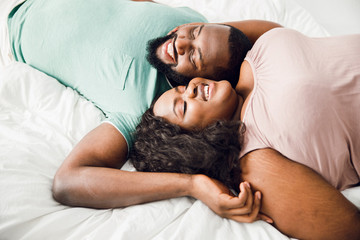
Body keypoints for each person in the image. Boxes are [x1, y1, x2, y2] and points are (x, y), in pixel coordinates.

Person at [2, 0, 280, 221]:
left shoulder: (151, 108)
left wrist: (192, 185)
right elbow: (273, 34)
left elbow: (67, 182)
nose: (180, 44)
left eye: (195, 57)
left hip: (19, 24)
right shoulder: (191, 30)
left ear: (204, 76)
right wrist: (201, 29)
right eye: (193, 34)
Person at [129, 28, 360, 239]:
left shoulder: (248, 58)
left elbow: (197, 37)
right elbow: (348, 227)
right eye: (183, 107)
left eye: (182, 88)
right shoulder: (255, 161)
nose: (191, 89)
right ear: (192, 141)